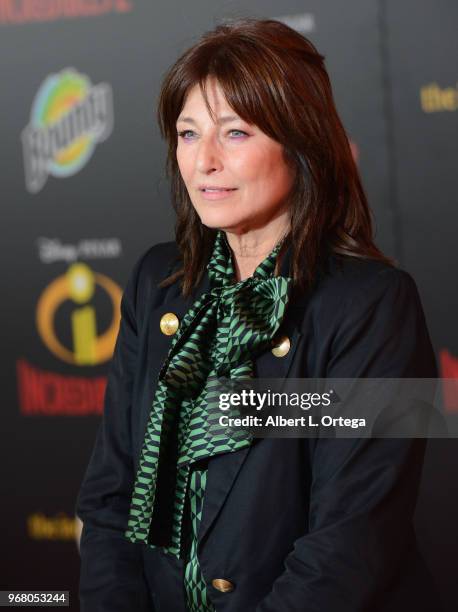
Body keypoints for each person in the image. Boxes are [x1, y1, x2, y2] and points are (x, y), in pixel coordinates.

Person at [76, 18, 442, 612]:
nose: (204, 161)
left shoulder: (375, 304)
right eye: (188, 133)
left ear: (301, 143)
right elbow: (110, 498)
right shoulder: (157, 283)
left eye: (236, 133)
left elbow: (352, 543)